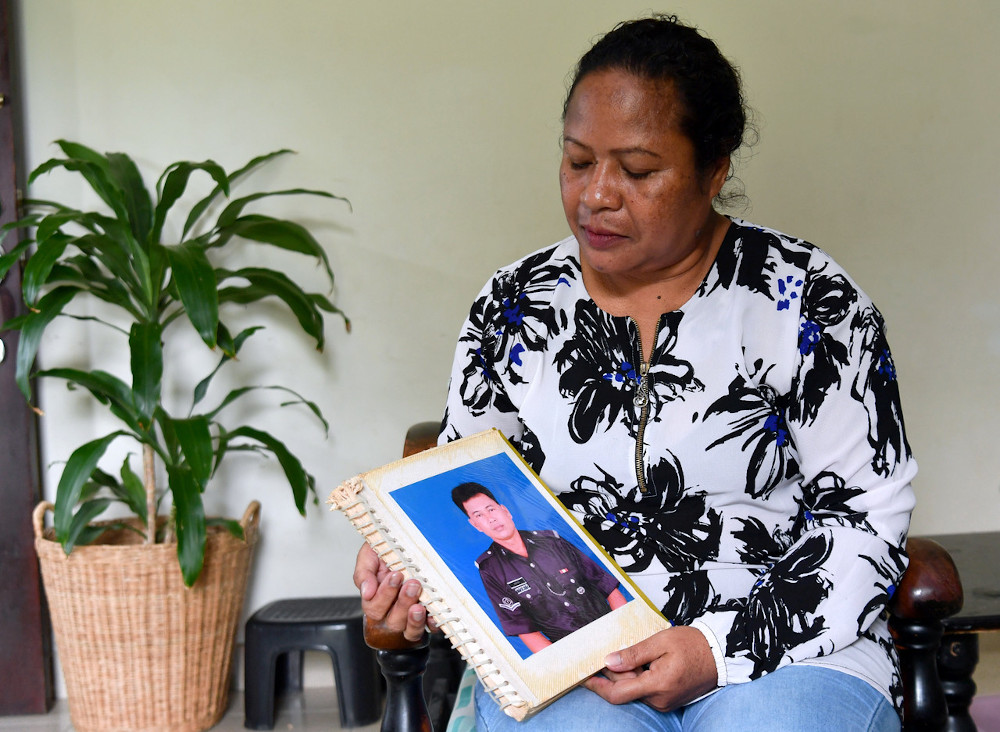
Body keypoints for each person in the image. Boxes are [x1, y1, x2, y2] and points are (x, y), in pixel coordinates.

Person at [355, 14, 914, 732]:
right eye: (578, 161)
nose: (597, 195)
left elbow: (866, 518)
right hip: (575, 654)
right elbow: (464, 490)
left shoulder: (808, 299)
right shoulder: (515, 305)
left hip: (790, 645)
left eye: (640, 170)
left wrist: (717, 649)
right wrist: (407, 572)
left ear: (715, 169)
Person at [452, 481, 628, 653]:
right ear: (476, 525)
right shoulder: (490, 569)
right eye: (479, 516)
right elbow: (525, 630)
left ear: (505, 511)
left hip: (618, 629)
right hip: (573, 652)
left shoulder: (552, 541)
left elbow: (607, 588)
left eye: (491, 509)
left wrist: (628, 633)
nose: (490, 518)